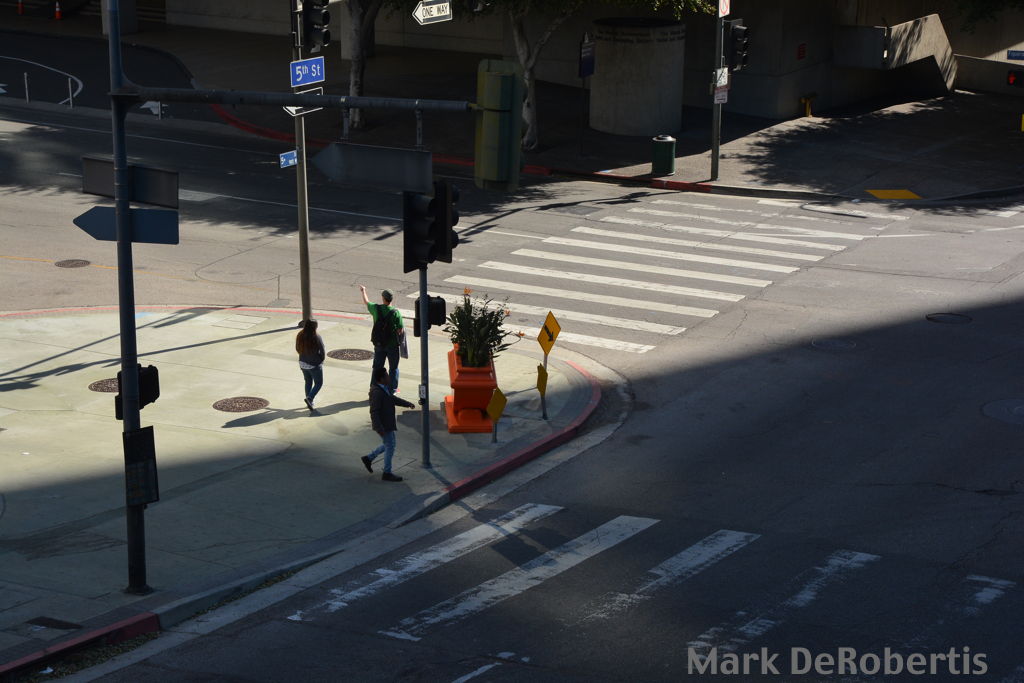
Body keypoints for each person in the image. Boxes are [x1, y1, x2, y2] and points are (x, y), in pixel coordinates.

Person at [362, 367, 416, 482]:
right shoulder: (377, 393)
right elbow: (374, 411)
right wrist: (378, 427)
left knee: (389, 444)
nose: (389, 377)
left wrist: (408, 404)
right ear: (381, 379)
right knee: (390, 446)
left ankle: (369, 458)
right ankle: (387, 473)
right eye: (386, 376)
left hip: (387, 423)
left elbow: (393, 399)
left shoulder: (384, 389)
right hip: (384, 424)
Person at [359, 284, 404, 394]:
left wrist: (363, 291)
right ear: (391, 299)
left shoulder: (376, 309)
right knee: (393, 368)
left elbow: (366, 302)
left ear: (383, 298)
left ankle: (373, 388)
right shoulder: (396, 313)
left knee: (377, 367)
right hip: (392, 345)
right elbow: (400, 330)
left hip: (379, 344)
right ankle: (392, 389)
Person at [295, 318, 325, 411]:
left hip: (302, 363)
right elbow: (322, 351)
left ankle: (309, 401)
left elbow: (297, 348)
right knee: (318, 383)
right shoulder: (316, 336)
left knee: (308, 381)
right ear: (315, 327)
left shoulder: (300, 334)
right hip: (314, 364)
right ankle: (310, 398)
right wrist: (320, 360)